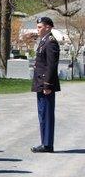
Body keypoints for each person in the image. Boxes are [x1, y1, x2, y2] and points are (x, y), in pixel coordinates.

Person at [31, 17, 60, 153]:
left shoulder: (50, 42)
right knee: (42, 113)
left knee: (46, 114)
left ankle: (48, 144)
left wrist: (48, 85)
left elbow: (51, 66)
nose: (38, 30)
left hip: (45, 85)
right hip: (40, 83)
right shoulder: (44, 41)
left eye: (40, 27)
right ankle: (44, 142)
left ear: (48, 27)